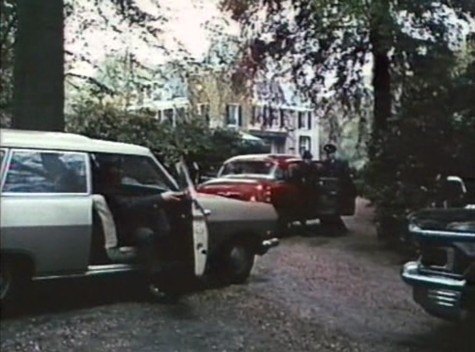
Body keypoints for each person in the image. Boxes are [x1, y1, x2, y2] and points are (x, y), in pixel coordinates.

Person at [94, 157, 182, 290]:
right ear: (107, 173)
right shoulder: (107, 190)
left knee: (151, 229)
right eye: (114, 169)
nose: (119, 172)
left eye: (118, 169)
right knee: (145, 235)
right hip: (121, 230)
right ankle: (156, 279)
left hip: (126, 224)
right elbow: (127, 206)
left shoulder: (116, 187)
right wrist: (161, 198)